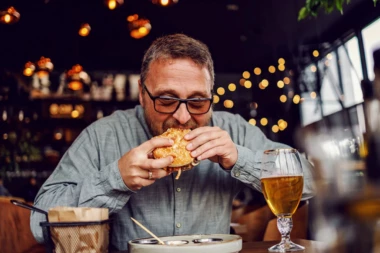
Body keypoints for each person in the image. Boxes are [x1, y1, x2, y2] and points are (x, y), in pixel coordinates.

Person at [30, 33, 315, 250]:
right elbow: (38, 223)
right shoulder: (104, 135)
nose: (182, 117)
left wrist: (240, 159)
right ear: (143, 93)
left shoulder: (232, 130)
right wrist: (114, 178)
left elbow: (311, 184)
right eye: (166, 100)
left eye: (197, 101)